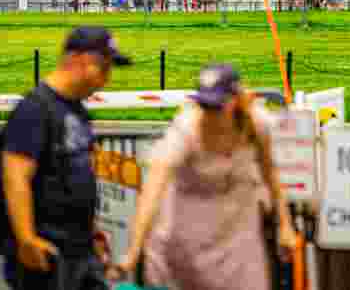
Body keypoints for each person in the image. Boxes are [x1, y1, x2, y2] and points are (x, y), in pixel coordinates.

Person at [109, 64, 296, 289]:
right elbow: (152, 190)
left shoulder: (257, 124)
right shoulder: (185, 130)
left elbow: (270, 172)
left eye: (217, 106)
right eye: (205, 105)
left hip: (236, 242)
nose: (210, 112)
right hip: (184, 244)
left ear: (235, 100)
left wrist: (285, 225)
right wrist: (133, 251)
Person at [1, 26, 132, 290]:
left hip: (80, 250)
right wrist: (26, 239)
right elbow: (15, 176)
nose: (106, 79)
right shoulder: (36, 109)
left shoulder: (78, 112)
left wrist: (92, 229)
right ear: (79, 60)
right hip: (47, 253)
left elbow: (77, 174)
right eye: (104, 68)